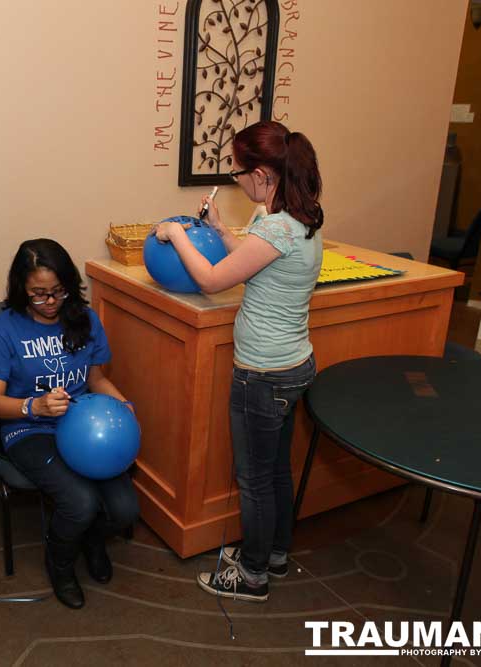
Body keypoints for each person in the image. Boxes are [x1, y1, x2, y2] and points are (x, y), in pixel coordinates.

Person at [153, 120, 324, 603]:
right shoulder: (301, 219)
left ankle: (251, 575)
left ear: (263, 173)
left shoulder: (275, 226)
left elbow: (211, 280)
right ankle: (274, 555)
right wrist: (219, 231)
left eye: (238, 169)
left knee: (253, 481)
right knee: (276, 473)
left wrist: (174, 233)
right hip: (294, 366)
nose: (234, 177)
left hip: (263, 376)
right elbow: (252, 257)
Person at [0, 239, 139, 610]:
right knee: (80, 502)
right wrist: (35, 405)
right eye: (38, 294)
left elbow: (96, 380)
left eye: (58, 292)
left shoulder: (85, 319)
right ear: (21, 288)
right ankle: (60, 562)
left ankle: (91, 540)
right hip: (28, 430)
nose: (50, 303)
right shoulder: (4, 330)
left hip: (84, 428)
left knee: (125, 509)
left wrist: (124, 406)